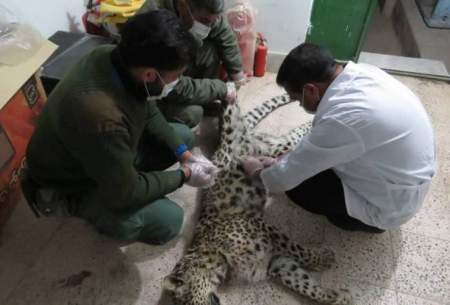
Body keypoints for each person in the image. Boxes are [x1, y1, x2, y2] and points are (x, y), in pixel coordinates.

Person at [22, 10, 218, 245]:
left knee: (182, 137)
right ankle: (70, 203)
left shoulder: (110, 56)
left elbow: (146, 109)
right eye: (176, 76)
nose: (176, 81)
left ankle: (125, 170)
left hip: (97, 150)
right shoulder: (103, 119)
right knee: (168, 221)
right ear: (149, 74)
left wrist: (184, 154)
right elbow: (126, 194)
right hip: (69, 180)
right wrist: (183, 175)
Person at [241, 43, 436, 233]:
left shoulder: (343, 119)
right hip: (403, 184)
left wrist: (257, 173)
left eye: (298, 98)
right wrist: (282, 160)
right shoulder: (366, 72)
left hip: (389, 208)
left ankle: (367, 224)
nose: (300, 105)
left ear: (311, 90)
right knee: (307, 160)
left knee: (300, 188)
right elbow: (320, 146)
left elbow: (282, 180)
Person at [136, 0, 246, 127]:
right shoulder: (154, 24)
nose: (209, 26)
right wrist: (219, 88)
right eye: (204, 20)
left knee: (210, 50)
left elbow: (223, 31)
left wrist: (237, 73)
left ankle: (204, 98)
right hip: (153, 89)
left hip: (169, 69)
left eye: (212, 21)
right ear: (183, 6)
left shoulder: (203, 9)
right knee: (193, 113)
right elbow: (174, 86)